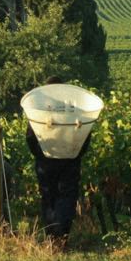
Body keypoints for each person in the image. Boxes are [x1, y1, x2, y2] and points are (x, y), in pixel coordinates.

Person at [27, 77, 91, 247]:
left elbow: (31, 138)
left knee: (49, 197)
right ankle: (62, 236)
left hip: (45, 162)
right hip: (70, 160)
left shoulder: (39, 110)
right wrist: (76, 155)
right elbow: (85, 135)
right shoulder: (75, 111)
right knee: (67, 197)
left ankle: (52, 237)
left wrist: (40, 156)